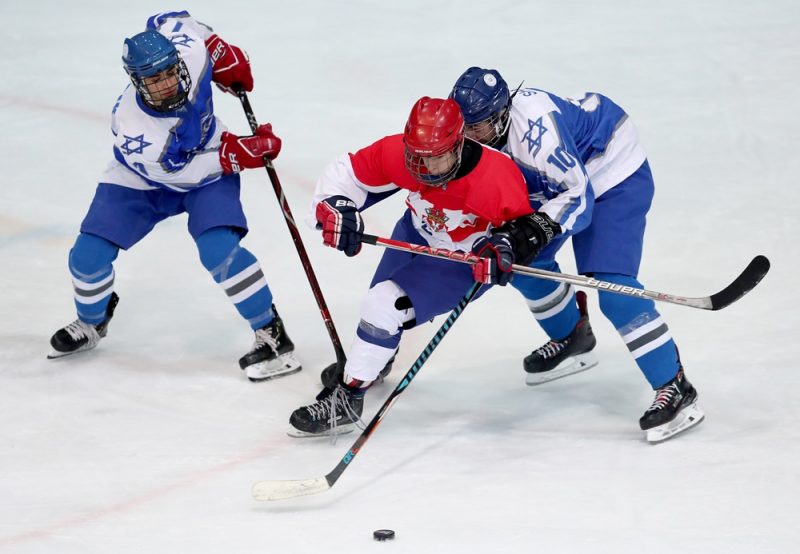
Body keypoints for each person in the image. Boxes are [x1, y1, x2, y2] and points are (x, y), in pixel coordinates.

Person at [450, 67, 704, 442]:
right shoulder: (482, 132)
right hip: (563, 179)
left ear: (502, 114)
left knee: (614, 290)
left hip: (610, 171)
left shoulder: (537, 139)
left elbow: (578, 197)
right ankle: (573, 337)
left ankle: (674, 385)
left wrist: (533, 230)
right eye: (464, 127)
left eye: (478, 126)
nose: (469, 136)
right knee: (522, 264)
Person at [48, 11, 301, 382]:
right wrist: (235, 154)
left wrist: (219, 49)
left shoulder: (192, 54)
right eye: (154, 78)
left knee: (218, 250)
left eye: (169, 71)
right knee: (86, 258)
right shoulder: (134, 126)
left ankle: (272, 333)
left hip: (207, 171)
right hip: (142, 179)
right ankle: (92, 322)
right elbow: (178, 173)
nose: (166, 83)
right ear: (136, 81)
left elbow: (170, 17)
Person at [288, 96, 561, 437]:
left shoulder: (496, 178)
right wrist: (337, 206)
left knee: (383, 306)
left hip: (459, 260)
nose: (423, 167)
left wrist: (504, 252)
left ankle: (348, 400)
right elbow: (349, 172)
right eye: (416, 155)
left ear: (459, 144)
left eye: (435, 157)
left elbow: (522, 235)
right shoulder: (403, 152)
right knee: (379, 313)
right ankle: (374, 362)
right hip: (414, 233)